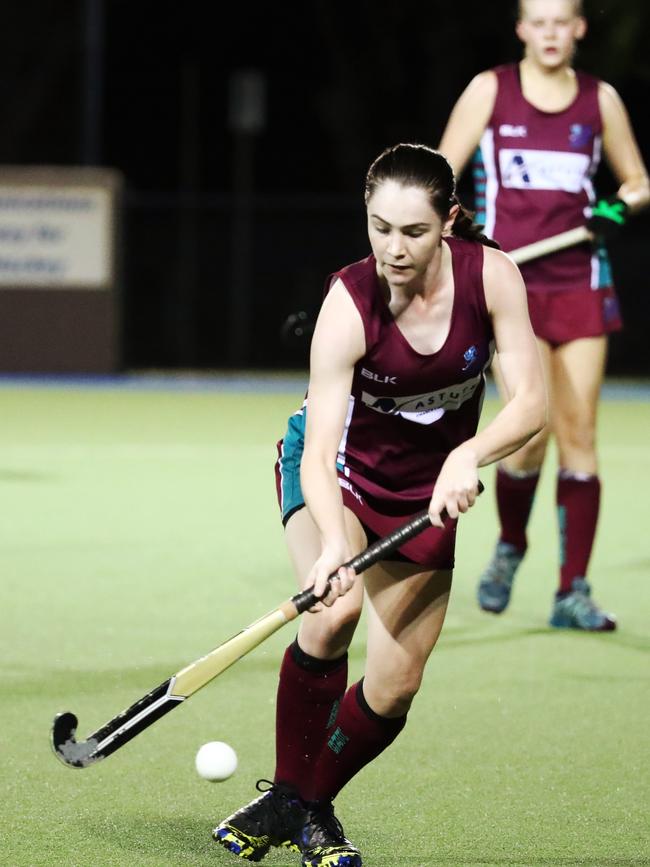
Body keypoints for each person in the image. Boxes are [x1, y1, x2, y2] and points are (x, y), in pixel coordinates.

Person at [212, 143, 546, 867]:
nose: (394, 248)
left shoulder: (491, 277)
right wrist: (334, 543)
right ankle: (298, 802)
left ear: (449, 221)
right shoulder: (347, 303)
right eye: (380, 227)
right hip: (339, 476)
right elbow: (319, 451)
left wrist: (469, 453)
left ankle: (302, 804)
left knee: (395, 685)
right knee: (334, 610)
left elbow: (533, 402)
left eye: (414, 231)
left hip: (426, 497)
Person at [438, 0, 650, 631]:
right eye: (541, 21)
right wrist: (459, 237)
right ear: (522, 29)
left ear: (579, 29)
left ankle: (571, 591)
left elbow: (637, 181)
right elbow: (440, 177)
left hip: (581, 283)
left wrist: (611, 212)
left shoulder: (599, 99)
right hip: (511, 285)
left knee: (579, 430)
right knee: (529, 432)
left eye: (564, 22)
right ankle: (511, 544)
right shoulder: (490, 91)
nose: (552, 33)